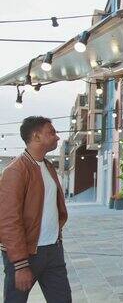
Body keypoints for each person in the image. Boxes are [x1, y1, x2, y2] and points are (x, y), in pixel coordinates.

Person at [0, 116, 71, 303]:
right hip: (26, 255)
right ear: (36, 136)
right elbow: (8, 220)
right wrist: (20, 265)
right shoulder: (15, 170)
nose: (57, 137)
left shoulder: (48, 166)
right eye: (52, 132)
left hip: (53, 251)